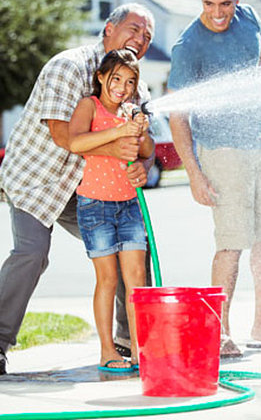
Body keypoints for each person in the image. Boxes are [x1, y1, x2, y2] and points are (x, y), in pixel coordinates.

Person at [0, 3, 155, 374]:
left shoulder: (137, 83)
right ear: (108, 28)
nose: (140, 39)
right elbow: (61, 136)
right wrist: (117, 145)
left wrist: (143, 168)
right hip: (39, 178)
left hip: (91, 186)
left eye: (148, 36)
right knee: (32, 253)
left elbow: (145, 143)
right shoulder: (67, 66)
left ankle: (127, 341)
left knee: (132, 253)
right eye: (133, 29)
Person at [168, 0, 261, 357]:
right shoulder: (187, 46)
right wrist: (194, 173)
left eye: (225, 4)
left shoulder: (250, 19)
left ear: (238, 0)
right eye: (208, 4)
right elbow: (177, 115)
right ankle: (219, 330)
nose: (216, 12)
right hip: (221, 150)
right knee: (232, 242)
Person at [69, 49, 154, 372]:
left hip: (129, 205)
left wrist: (140, 130)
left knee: (136, 279)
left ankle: (138, 347)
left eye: (130, 81)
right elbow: (76, 142)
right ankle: (107, 349)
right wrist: (119, 131)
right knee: (107, 279)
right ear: (101, 77)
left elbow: (145, 149)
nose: (122, 86)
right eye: (116, 78)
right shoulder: (88, 106)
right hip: (95, 206)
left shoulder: (130, 111)